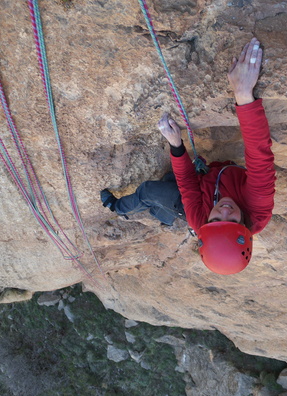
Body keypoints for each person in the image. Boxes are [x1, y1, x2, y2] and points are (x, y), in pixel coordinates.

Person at [101, 38, 275, 274]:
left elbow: (187, 185)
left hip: (188, 200)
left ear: (206, 225)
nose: (224, 210)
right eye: (232, 219)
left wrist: (176, 146)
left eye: (215, 220)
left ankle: (117, 208)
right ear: (245, 227)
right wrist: (243, 94)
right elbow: (259, 156)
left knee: (148, 191)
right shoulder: (258, 209)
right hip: (212, 177)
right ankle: (160, 214)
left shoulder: (197, 220)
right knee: (167, 182)